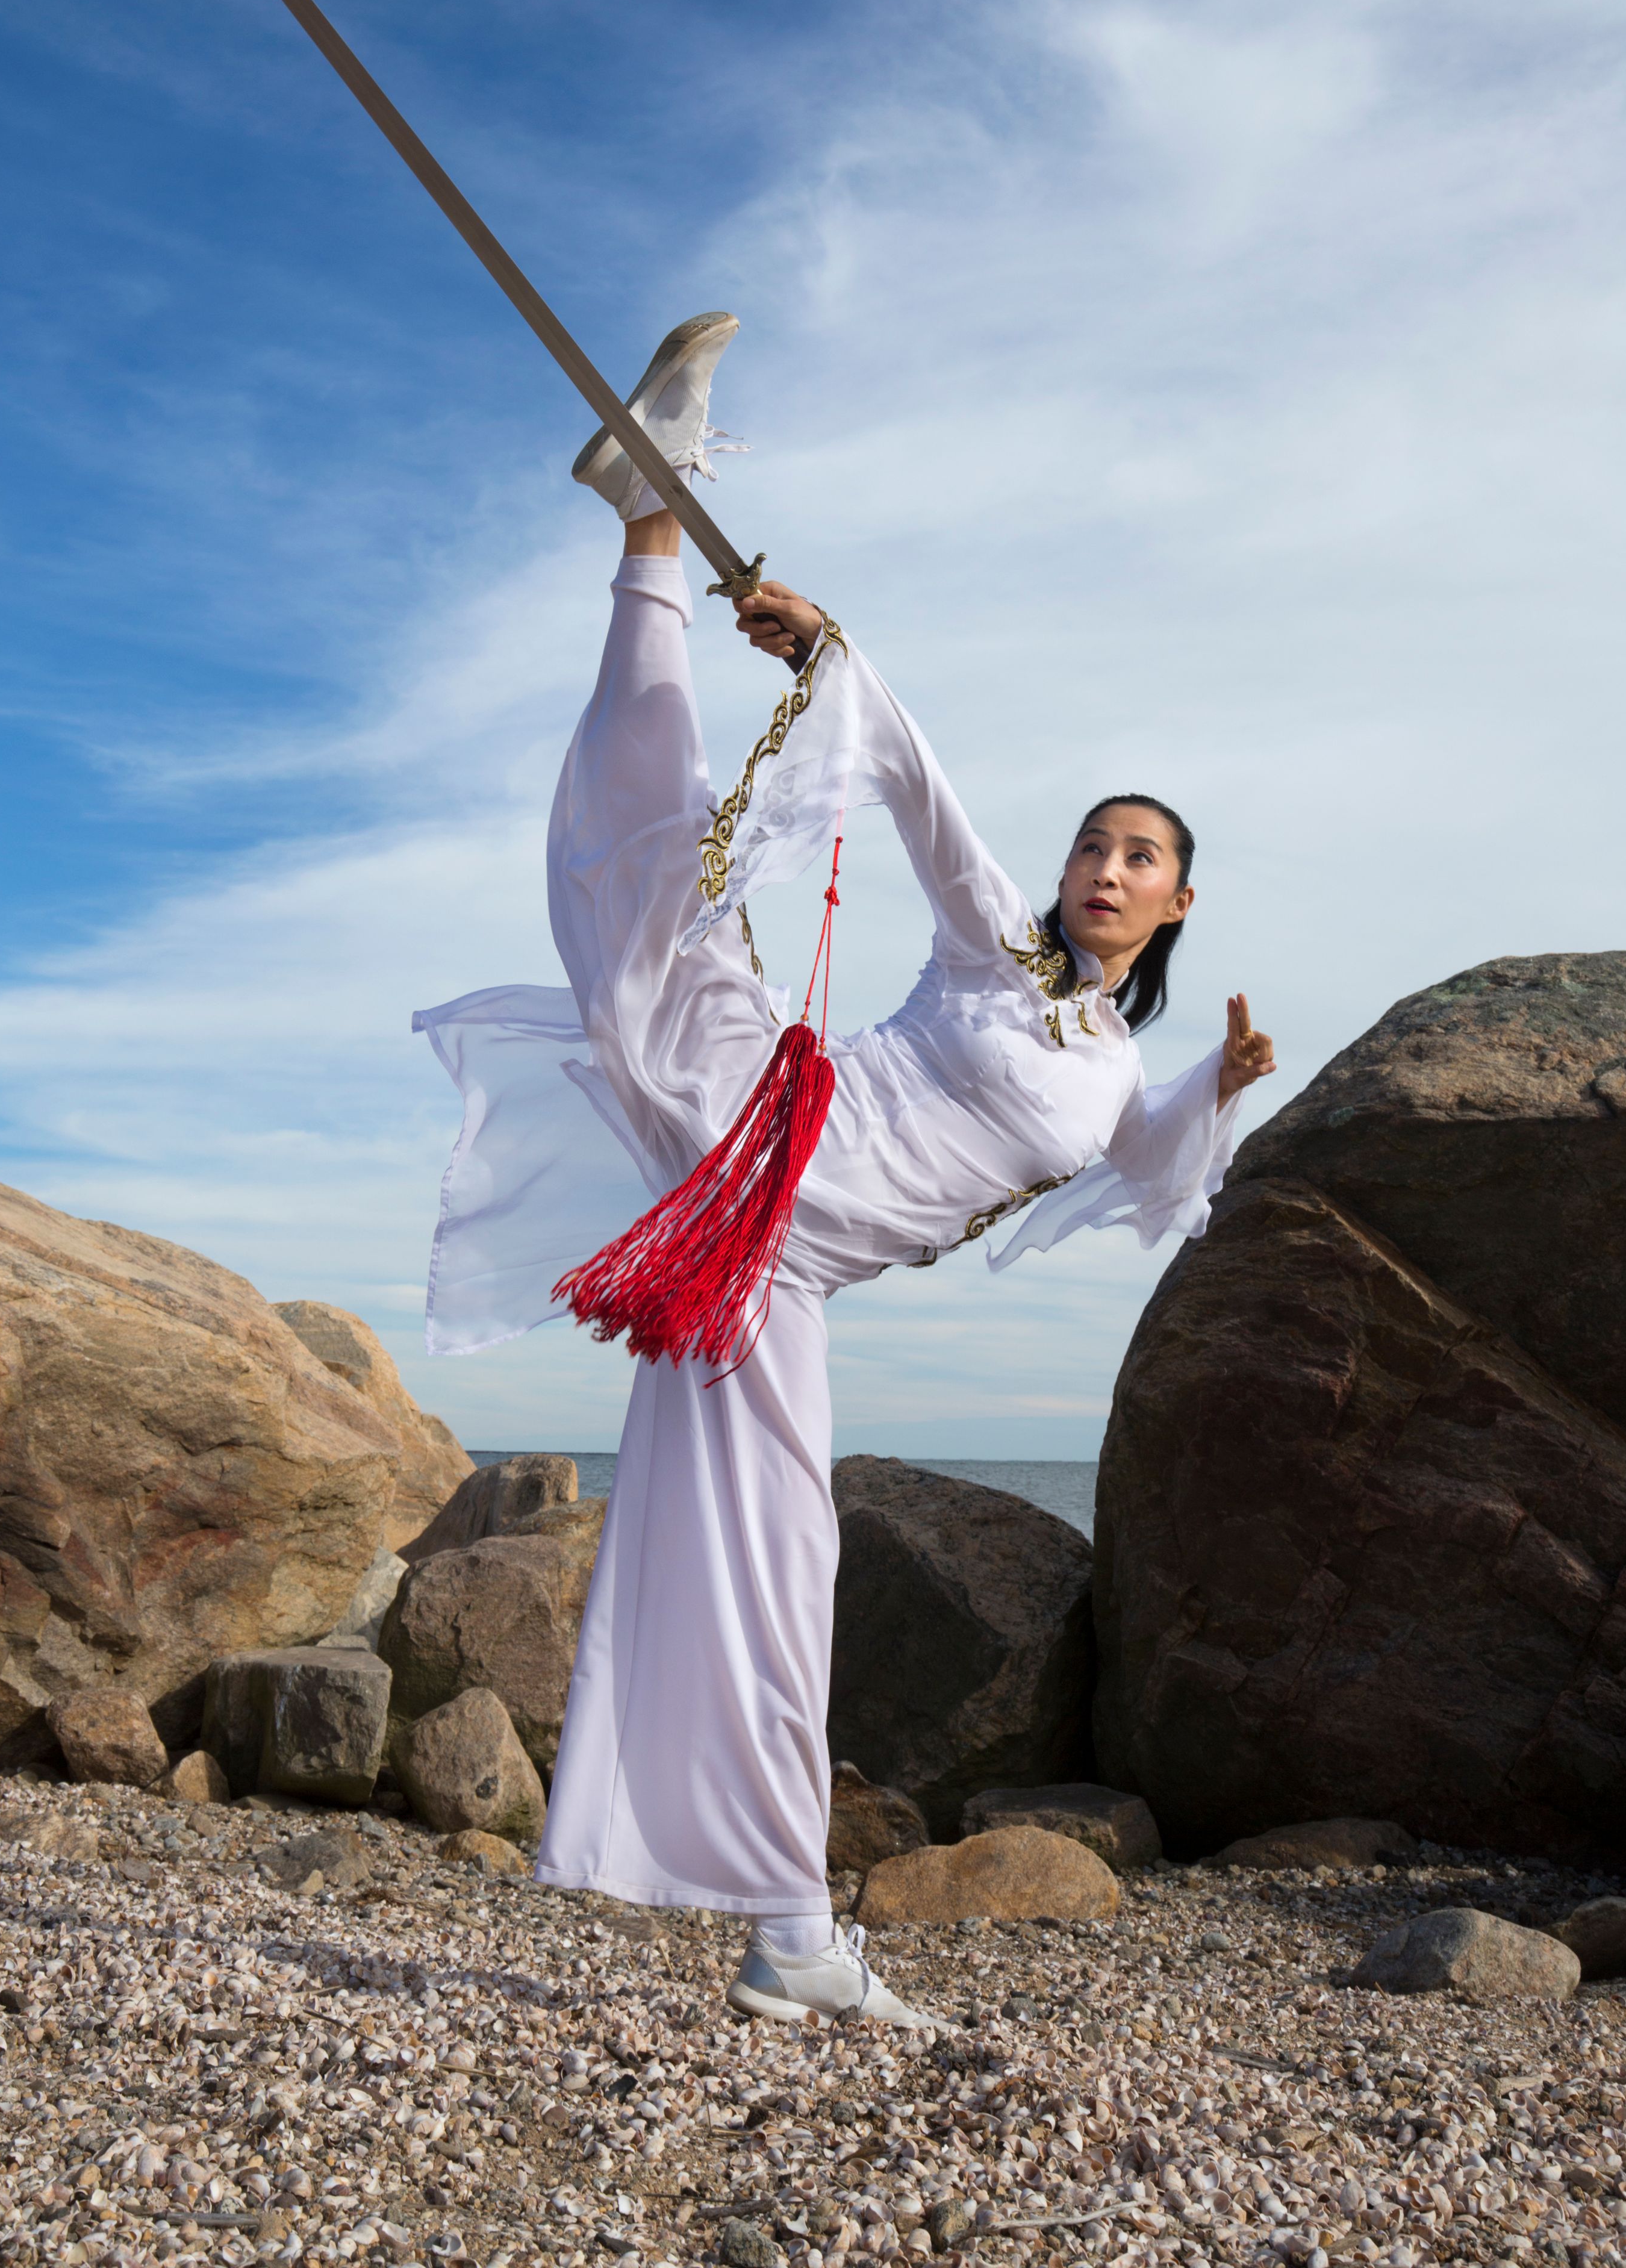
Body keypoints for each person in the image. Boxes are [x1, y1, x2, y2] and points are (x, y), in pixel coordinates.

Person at [412, 313, 1276, 2030]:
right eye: (1098, 844)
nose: (1108, 867)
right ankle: (649, 525)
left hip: (771, 1276)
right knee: (646, 893)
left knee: (776, 1568)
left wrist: (1227, 1082)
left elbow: (1158, 1170)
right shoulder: (991, 964)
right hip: (758, 1130)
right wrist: (841, 654)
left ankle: (784, 1928)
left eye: (1144, 858)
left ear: (1180, 904)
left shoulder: (1111, 1070)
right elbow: (926, 799)